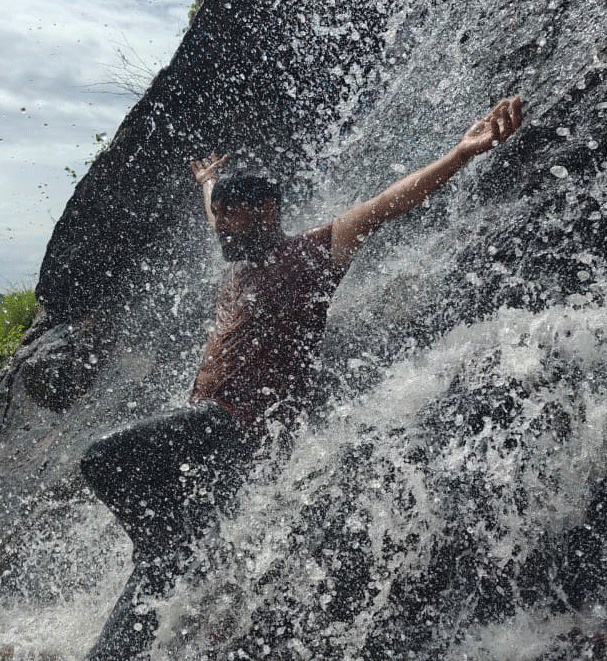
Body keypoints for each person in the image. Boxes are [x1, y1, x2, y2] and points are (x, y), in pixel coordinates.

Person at [80, 96, 524, 660]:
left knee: (103, 459)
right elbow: (214, 207)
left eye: (228, 216)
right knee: (139, 601)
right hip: (205, 438)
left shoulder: (313, 253)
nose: (218, 227)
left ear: (266, 210)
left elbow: (387, 204)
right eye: (216, 217)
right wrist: (210, 182)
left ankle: (171, 545)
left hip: (239, 436)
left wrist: (462, 153)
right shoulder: (236, 264)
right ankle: (163, 568)